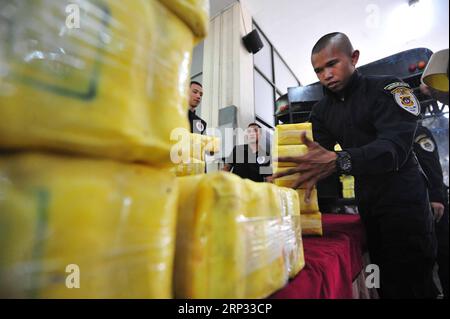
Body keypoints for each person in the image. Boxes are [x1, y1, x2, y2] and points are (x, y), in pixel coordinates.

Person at [272, 32, 437, 298]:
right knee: (383, 281)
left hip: (404, 202)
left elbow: (394, 149)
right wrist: (282, 182)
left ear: (354, 57)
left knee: (414, 282)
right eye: (318, 70)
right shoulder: (322, 112)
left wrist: (341, 160)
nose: (326, 74)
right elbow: (314, 156)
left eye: (332, 64)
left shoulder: (388, 88)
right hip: (368, 206)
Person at [414, 123, 449, 299]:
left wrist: (436, 197)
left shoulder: (416, 131)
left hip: (431, 202)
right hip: (414, 203)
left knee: (444, 251)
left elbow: (431, 165)